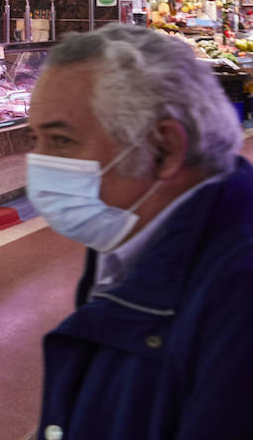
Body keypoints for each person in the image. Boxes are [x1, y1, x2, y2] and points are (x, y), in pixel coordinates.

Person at [29, 24, 253, 439]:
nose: (38, 163)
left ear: (162, 149)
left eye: (61, 140)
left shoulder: (238, 299)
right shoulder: (122, 236)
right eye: (35, 138)